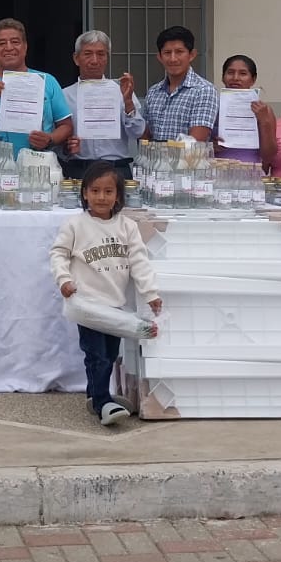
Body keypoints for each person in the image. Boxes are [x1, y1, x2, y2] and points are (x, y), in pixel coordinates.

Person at [49, 161, 162, 427]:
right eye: (95, 190)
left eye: (108, 191)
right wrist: (64, 279)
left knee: (110, 355)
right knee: (96, 356)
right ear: (85, 193)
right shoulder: (75, 225)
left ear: (118, 196)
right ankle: (103, 403)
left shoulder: (127, 227)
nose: (101, 197)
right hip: (87, 305)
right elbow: (58, 254)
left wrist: (150, 293)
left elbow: (139, 262)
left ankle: (95, 394)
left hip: (114, 306)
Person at [0, 18, 74, 154]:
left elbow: (66, 126)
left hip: (38, 163)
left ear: (25, 47)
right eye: (2, 43)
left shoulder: (47, 81)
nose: (9, 48)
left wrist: (49, 139)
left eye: (15, 42)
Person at [61, 30, 144, 179]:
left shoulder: (122, 90)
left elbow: (137, 133)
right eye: (88, 54)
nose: (94, 60)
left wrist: (128, 102)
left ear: (107, 58)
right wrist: (67, 148)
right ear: (76, 58)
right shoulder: (64, 96)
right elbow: (55, 141)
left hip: (117, 170)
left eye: (101, 54)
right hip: (79, 171)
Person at [144, 26, 218, 142]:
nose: (173, 59)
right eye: (167, 53)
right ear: (159, 57)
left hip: (188, 155)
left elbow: (196, 141)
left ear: (192, 55)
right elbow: (145, 138)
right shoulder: (153, 92)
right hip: (154, 155)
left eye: (179, 52)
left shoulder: (204, 90)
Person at [215, 54, 274, 164]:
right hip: (218, 169)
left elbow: (269, 156)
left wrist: (264, 122)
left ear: (253, 79)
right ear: (223, 77)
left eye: (243, 74)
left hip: (250, 170)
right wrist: (210, 146)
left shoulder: (264, 110)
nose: (235, 78)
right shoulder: (212, 106)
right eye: (230, 72)